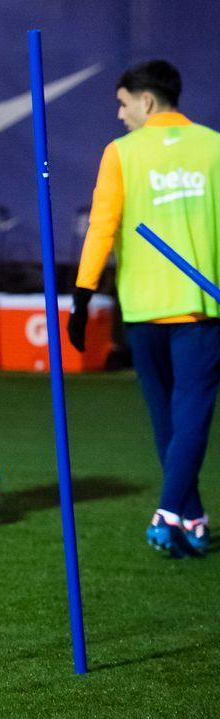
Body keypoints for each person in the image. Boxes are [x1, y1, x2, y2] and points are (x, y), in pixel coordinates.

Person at [67, 60, 220, 557]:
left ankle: (172, 511)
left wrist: (83, 294)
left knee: (172, 422)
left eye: (122, 102)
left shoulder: (121, 153)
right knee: (186, 420)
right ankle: (187, 513)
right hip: (199, 312)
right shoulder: (215, 147)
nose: (119, 113)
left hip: (147, 310)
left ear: (146, 102)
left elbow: (101, 227)